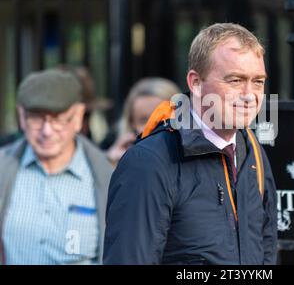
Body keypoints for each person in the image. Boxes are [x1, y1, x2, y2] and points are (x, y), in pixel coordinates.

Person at [103, 23, 277, 265]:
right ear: (195, 83)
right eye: (236, 80)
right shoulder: (149, 162)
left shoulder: (252, 151)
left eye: (258, 81)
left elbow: (266, 250)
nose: (249, 94)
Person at [0, 69, 113, 265]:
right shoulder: (4, 168)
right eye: (36, 118)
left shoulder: (107, 177)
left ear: (78, 116)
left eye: (58, 119)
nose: (47, 131)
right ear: (21, 115)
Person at [102, 77, 180, 166]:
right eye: (144, 120)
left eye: (161, 118)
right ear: (131, 125)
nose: (152, 126)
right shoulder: (122, 161)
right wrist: (112, 165)